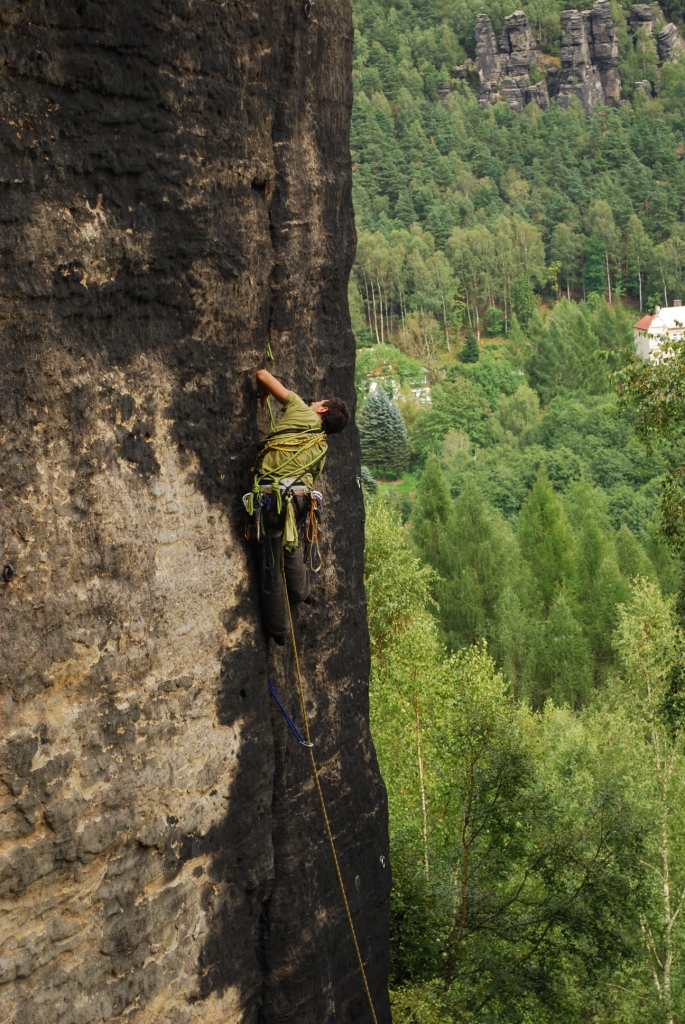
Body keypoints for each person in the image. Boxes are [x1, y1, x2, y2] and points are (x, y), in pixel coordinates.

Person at [248, 368, 350, 645]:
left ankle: (279, 628)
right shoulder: (322, 445)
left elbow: (262, 375)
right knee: (291, 545)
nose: (312, 402)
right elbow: (312, 476)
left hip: (272, 497)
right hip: (301, 499)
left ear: (323, 408)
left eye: (317, 402)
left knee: (270, 562)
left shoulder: (297, 407)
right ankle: (303, 591)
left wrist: (264, 393)